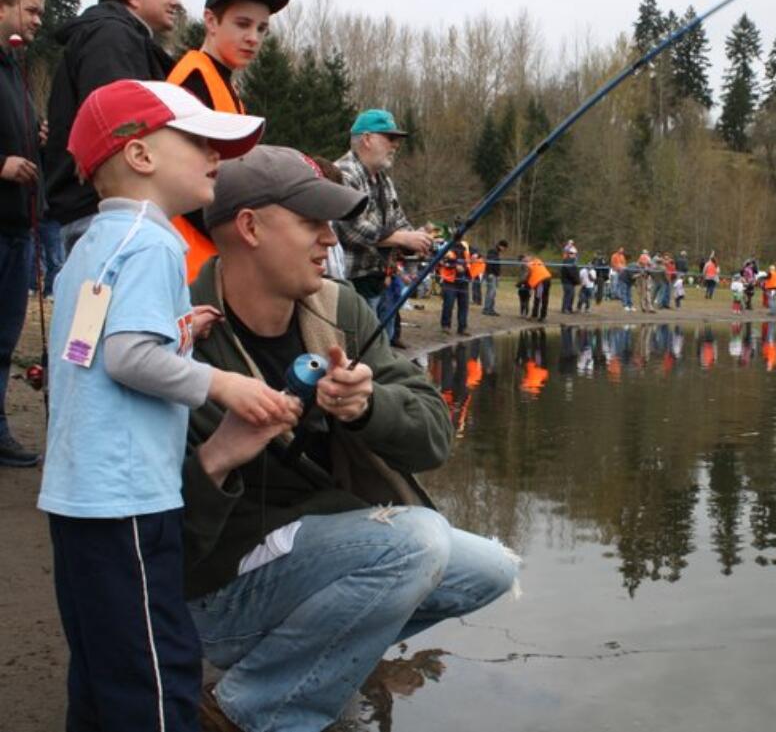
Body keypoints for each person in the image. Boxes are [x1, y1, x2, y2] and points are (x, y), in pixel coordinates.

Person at [184, 145, 519, 731]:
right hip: (214, 591)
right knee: (416, 541)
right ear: (249, 227)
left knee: (492, 569)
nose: (330, 241)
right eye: (312, 223)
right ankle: (251, 710)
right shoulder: (178, 331)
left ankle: (309, 661)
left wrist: (369, 407)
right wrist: (217, 458)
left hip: (317, 547)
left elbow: (435, 438)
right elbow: (151, 530)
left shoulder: (336, 310)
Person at [37, 80, 283, 731]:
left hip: (79, 498)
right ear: (142, 156)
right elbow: (126, 357)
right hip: (129, 500)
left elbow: (92, 346)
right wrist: (224, 384)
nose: (215, 156)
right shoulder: (155, 242)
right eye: (199, 142)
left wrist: (177, 332)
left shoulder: (91, 245)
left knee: (100, 667)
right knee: (158, 671)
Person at [45, 0, 182, 252]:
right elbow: (116, 120)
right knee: (112, 299)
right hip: (103, 212)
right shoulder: (111, 36)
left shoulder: (125, 37)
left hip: (104, 211)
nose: (176, 0)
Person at [167, 0, 290, 283]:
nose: (254, 38)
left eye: (262, 28)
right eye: (243, 24)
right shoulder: (193, 82)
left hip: (209, 258)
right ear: (210, 21)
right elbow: (182, 180)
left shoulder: (222, 85)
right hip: (190, 264)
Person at [334, 109, 434, 342]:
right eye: (390, 138)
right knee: (359, 352)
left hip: (379, 284)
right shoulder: (344, 173)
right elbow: (351, 228)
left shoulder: (384, 180)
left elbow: (399, 220)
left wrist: (418, 238)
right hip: (351, 286)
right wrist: (402, 239)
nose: (396, 145)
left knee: (380, 352)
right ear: (367, 139)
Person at [0, 0, 44, 467]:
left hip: (18, 228)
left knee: (4, 339)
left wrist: (36, 134)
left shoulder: (16, 68)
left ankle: (0, 431)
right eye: (30, 11)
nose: (36, 22)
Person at [438, 240, 471, 336]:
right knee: (448, 304)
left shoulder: (467, 251)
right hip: (450, 282)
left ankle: (462, 327)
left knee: (464, 306)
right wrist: (455, 266)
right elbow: (441, 262)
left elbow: (472, 259)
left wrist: (476, 255)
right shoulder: (447, 251)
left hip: (464, 282)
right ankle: (445, 326)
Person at [482, 239, 507, 315]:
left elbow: (496, 264)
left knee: (493, 292)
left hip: (494, 274)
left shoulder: (496, 252)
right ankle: (486, 309)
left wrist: (498, 274)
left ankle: (491, 308)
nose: (504, 250)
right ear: (500, 246)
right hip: (491, 274)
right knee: (490, 292)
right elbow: (490, 262)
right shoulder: (493, 251)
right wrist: (490, 273)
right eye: (504, 248)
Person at [527, 254, 552, 321]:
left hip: (541, 281)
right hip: (548, 278)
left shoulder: (530, 264)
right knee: (545, 298)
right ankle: (543, 316)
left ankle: (534, 316)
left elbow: (528, 275)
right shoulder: (539, 261)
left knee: (538, 298)